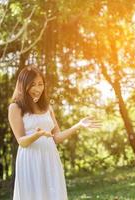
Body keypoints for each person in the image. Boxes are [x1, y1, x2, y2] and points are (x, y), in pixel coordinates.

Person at [8, 66, 101, 200]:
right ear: (23, 85)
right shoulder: (15, 107)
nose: (38, 88)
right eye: (33, 84)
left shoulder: (47, 107)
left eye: (40, 84)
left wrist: (78, 125)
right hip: (30, 158)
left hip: (50, 156)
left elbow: (56, 138)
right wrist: (38, 135)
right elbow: (21, 141)